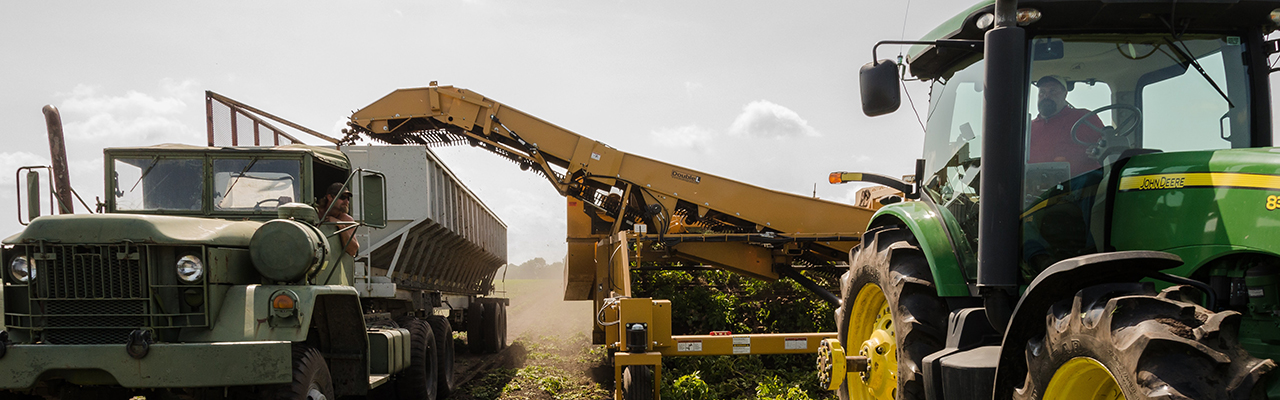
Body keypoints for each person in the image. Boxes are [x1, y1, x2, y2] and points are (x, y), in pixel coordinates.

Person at [1028, 75, 1104, 176]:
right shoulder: (1029, 128)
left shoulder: (1085, 118)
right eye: (1042, 92)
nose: (1046, 96)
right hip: (1036, 187)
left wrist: (1098, 152)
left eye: (1052, 91)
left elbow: (1106, 148)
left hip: (1083, 186)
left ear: (1065, 94)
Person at [317, 182, 359, 257]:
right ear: (330, 197)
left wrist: (340, 225)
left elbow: (353, 250)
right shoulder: (316, 213)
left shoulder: (347, 220)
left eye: (348, 198)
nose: (346, 202)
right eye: (342, 197)